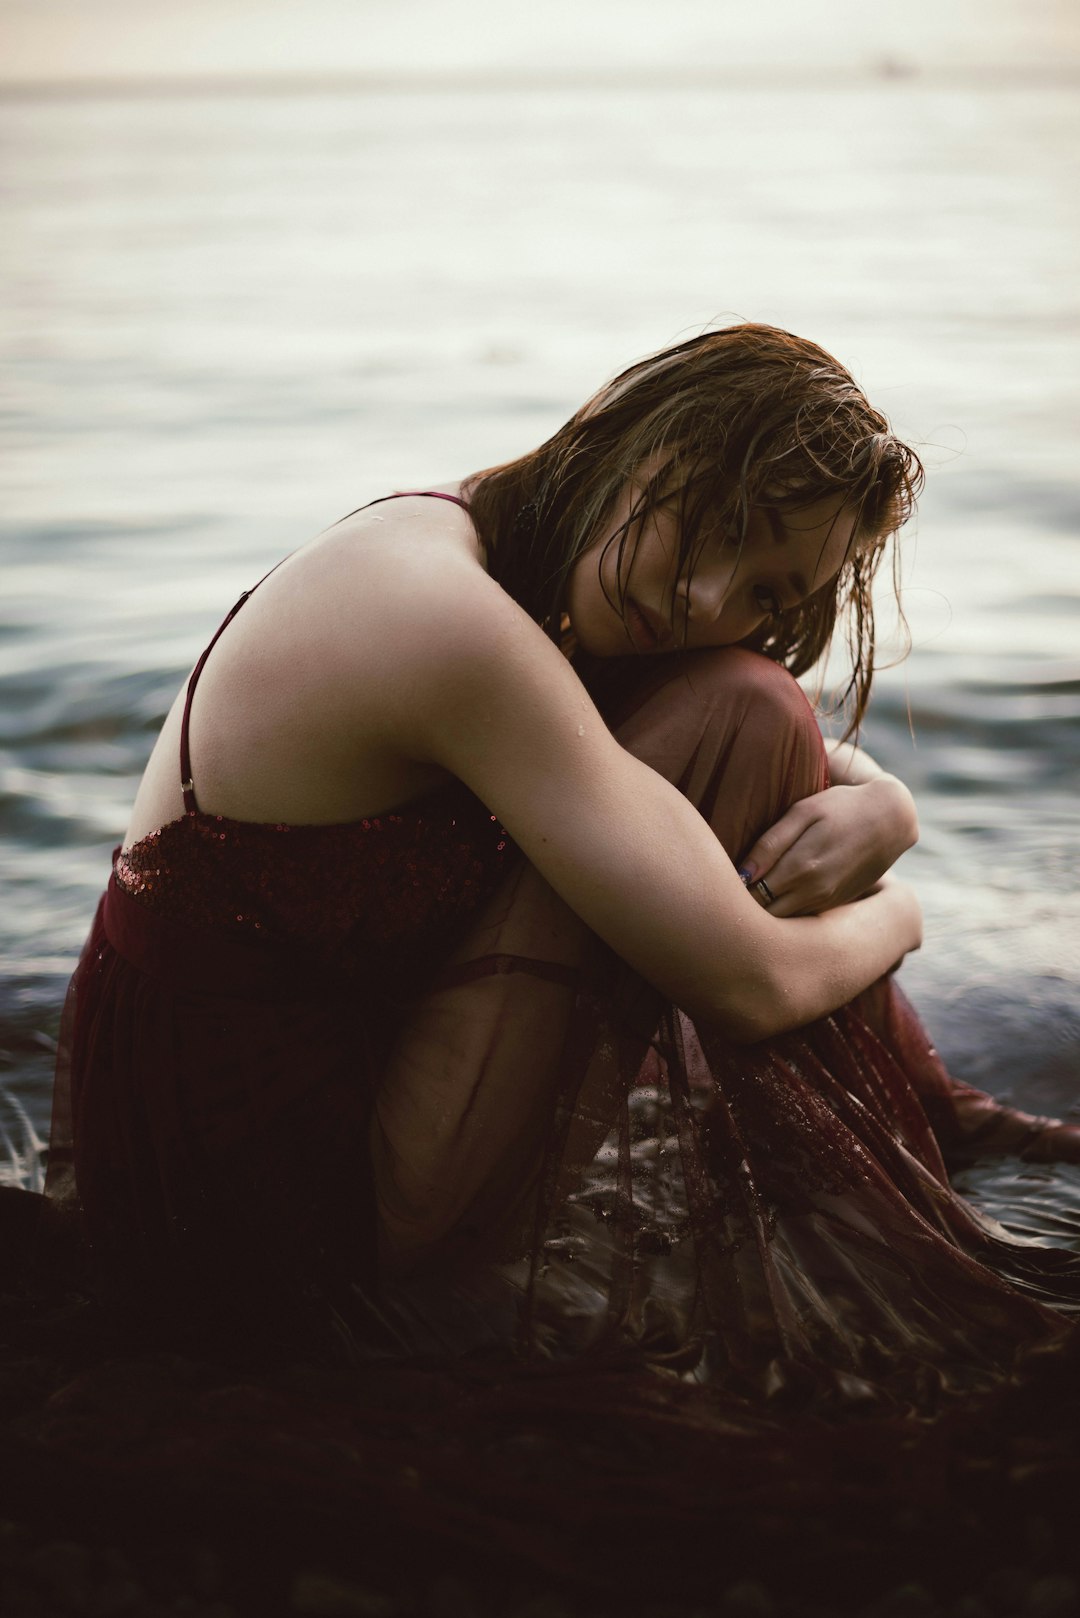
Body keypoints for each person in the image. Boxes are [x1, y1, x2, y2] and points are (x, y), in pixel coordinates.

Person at [46, 323, 1080, 1400]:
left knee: (747, 705)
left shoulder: (514, 544)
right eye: (719, 524)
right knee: (746, 710)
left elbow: (746, 743)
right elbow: (751, 986)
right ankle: (907, 1146)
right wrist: (898, 913)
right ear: (640, 435)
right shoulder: (440, 618)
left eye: (772, 593)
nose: (711, 599)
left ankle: (932, 1116)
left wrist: (887, 803)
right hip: (254, 1186)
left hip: (291, 1080)